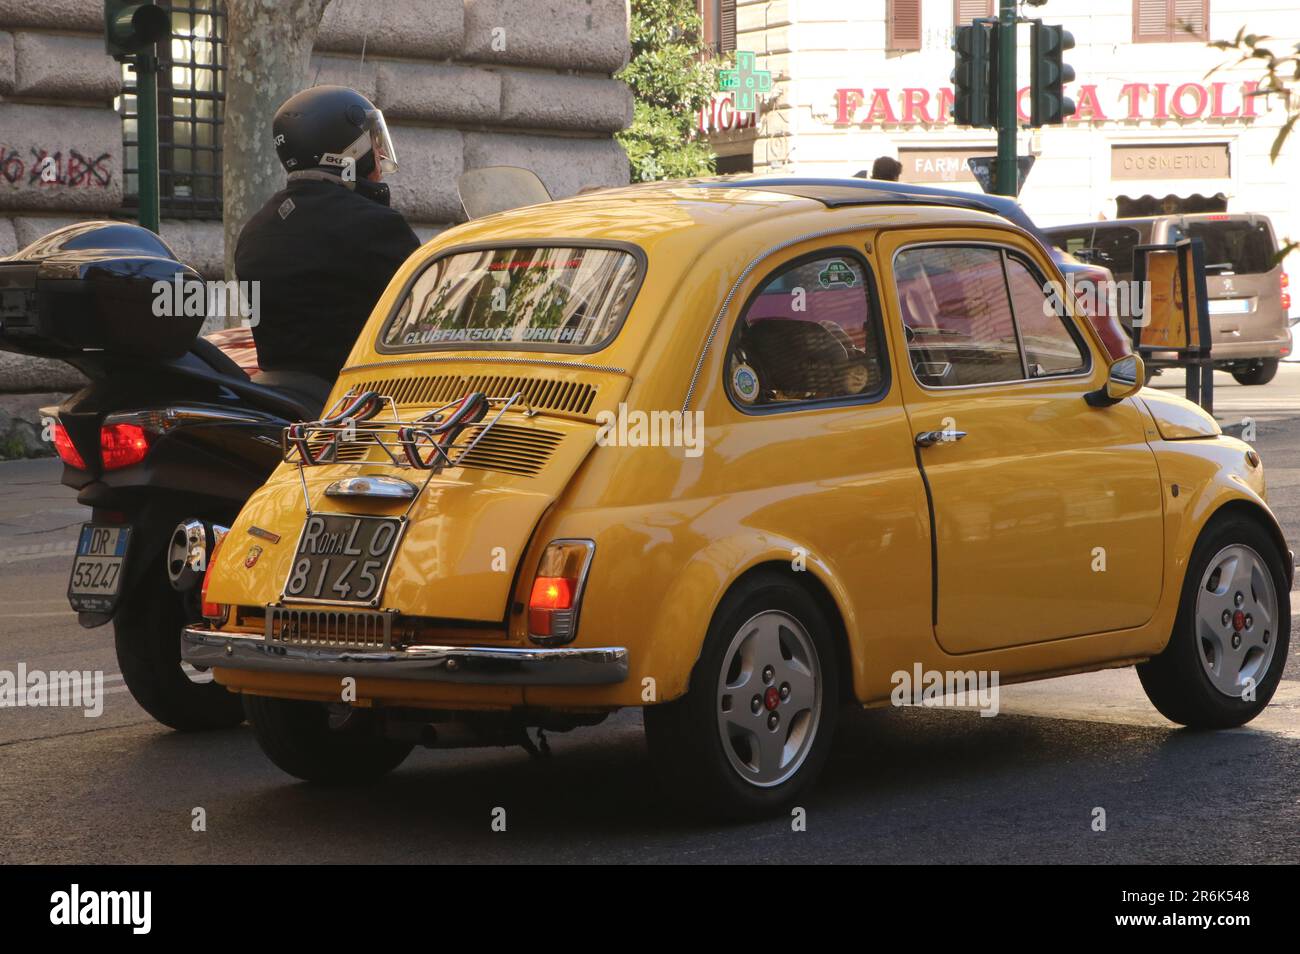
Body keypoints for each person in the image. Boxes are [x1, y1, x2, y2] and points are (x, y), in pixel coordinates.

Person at [235, 85, 420, 388]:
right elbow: (423, 311)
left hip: (277, 395)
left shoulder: (256, 228)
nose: (381, 154)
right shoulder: (375, 225)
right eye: (373, 143)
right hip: (358, 400)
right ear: (348, 150)